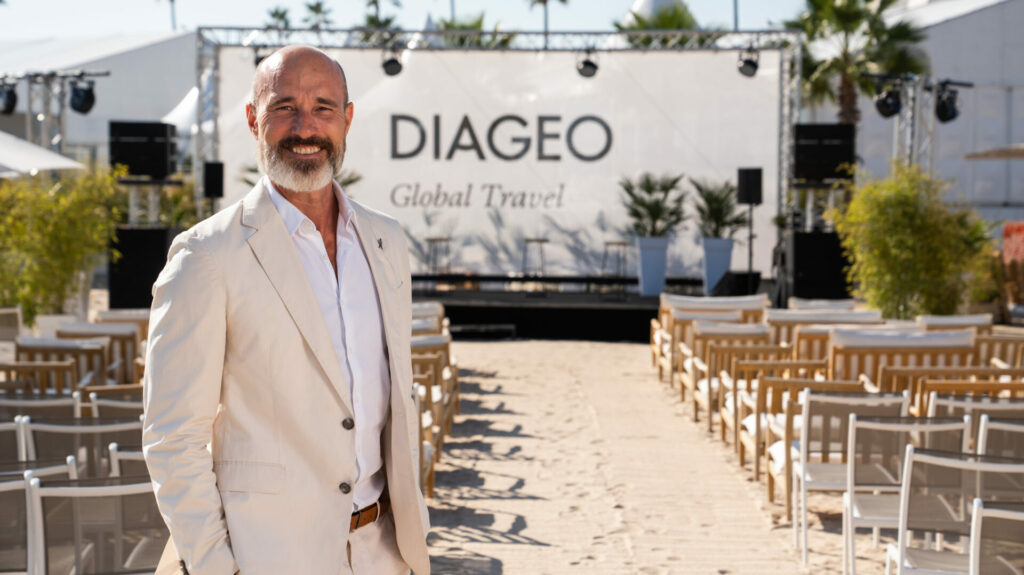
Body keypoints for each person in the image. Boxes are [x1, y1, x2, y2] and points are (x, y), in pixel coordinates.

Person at [142, 45, 430, 575]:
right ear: (254, 120)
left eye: (324, 108)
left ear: (347, 119)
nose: (305, 127)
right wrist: (215, 566)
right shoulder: (205, 256)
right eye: (284, 108)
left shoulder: (387, 241)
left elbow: (394, 405)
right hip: (265, 560)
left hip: (386, 552)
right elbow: (172, 437)